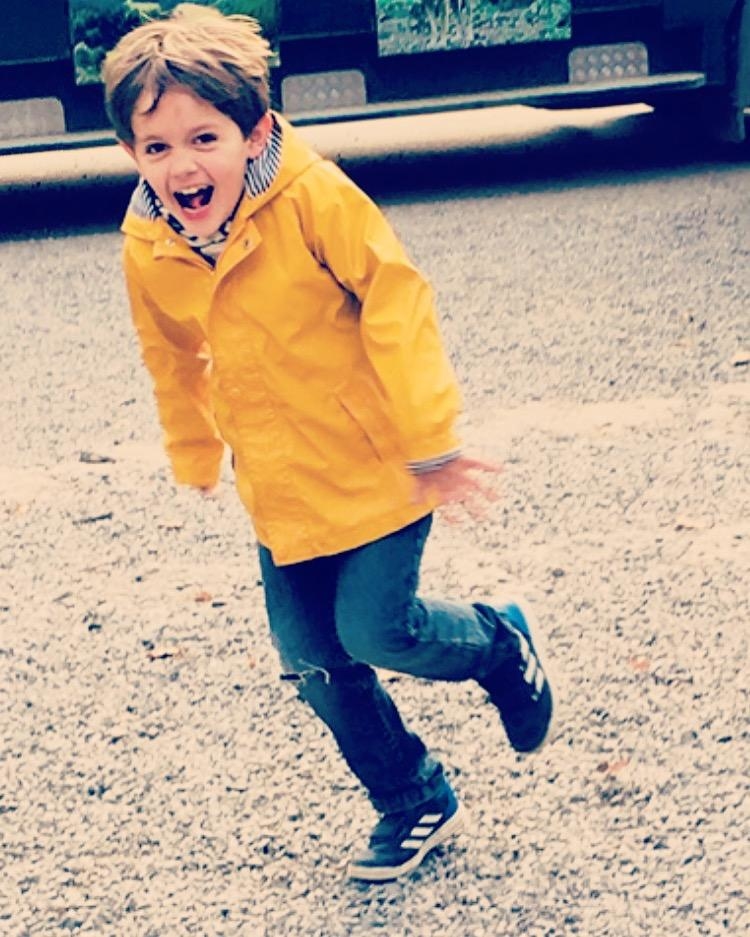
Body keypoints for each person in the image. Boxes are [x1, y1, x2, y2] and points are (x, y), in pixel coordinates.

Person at [102, 3, 554, 883]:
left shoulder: (313, 197)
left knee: (377, 629)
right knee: (312, 662)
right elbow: (169, 352)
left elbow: (397, 302)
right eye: (156, 147)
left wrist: (430, 436)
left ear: (254, 132)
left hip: (379, 464)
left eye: (204, 138)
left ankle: (498, 642)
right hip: (279, 485)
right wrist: (192, 447)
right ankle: (413, 796)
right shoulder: (148, 243)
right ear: (131, 152)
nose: (182, 165)